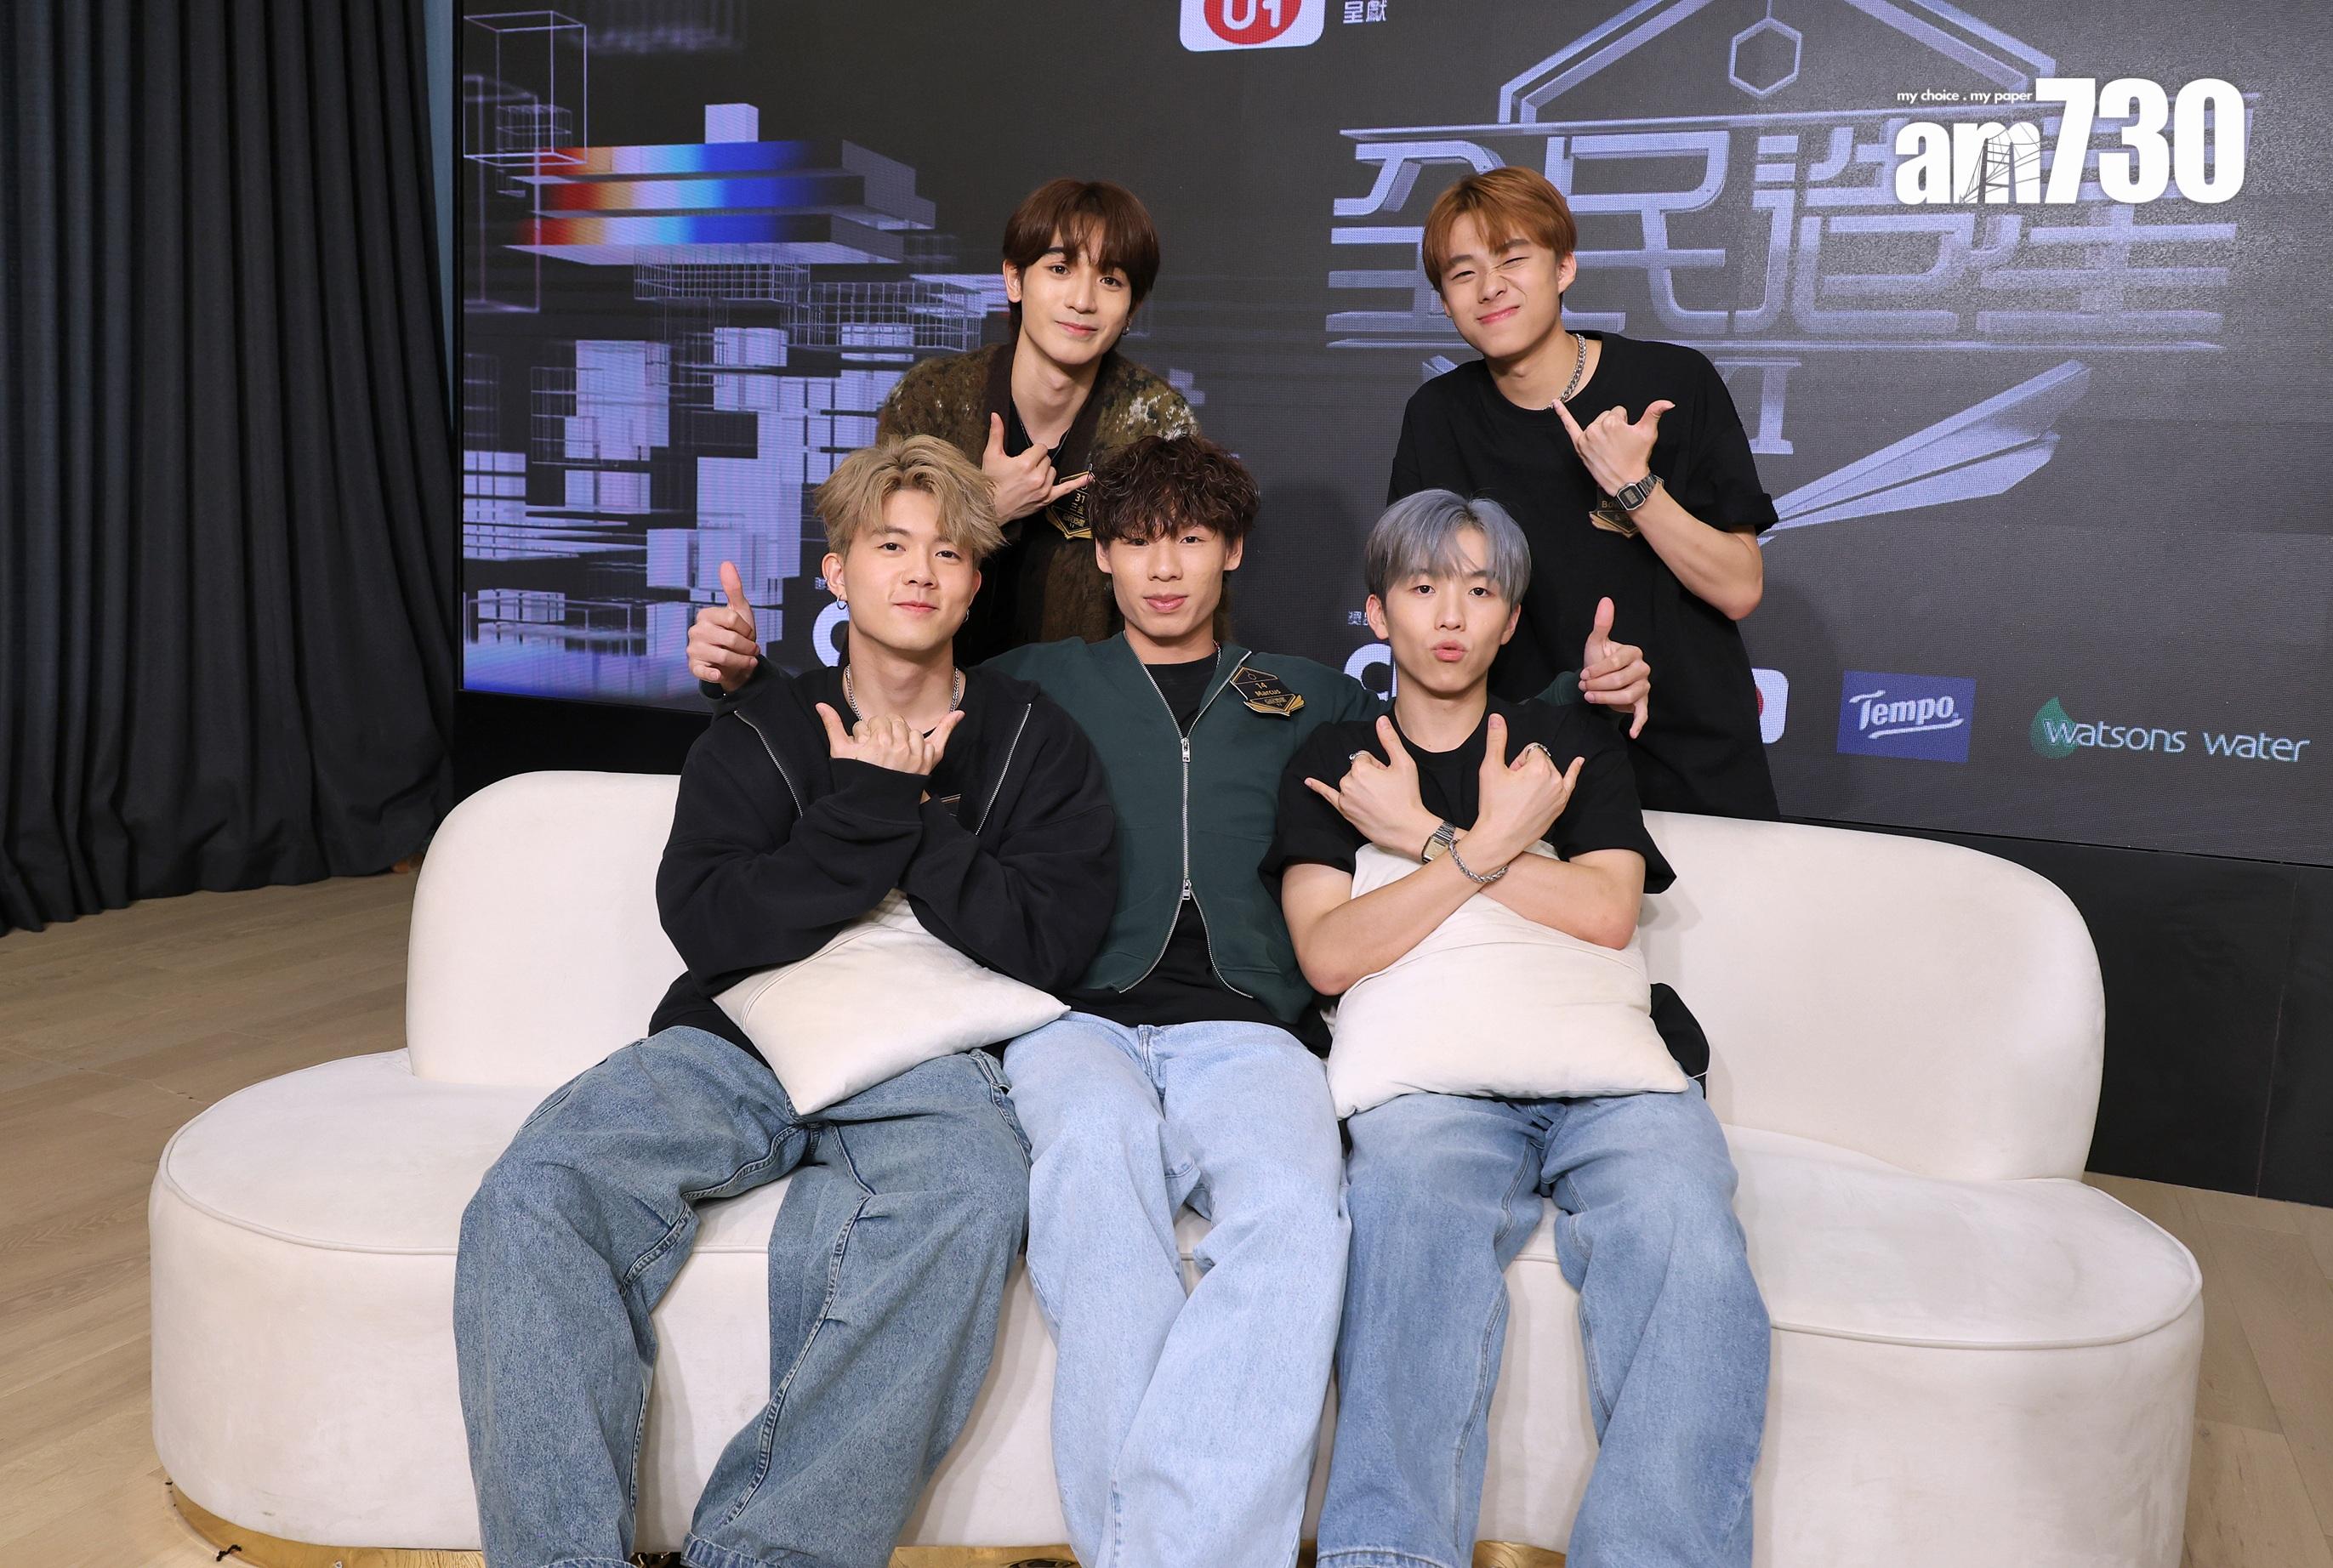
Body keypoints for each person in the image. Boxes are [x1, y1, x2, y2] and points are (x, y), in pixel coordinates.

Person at [693, 433, 1376, 1568]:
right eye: (1137, 540)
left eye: (1191, 539)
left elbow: (1454, 730)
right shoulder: (1032, 685)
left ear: (1232, 550)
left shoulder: (1312, 694)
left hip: (1251, 1026)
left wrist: (1583, 707)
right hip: (1070, 1017)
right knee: (1094, 1195)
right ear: (1101, 555)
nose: (1164, 566)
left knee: (1300, 1221)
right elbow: (871, 711)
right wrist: (745, 683)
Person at [453, 436, 1118, 1568]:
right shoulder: (762, 729)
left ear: (975, 580)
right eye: (891, 545)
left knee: (967, 1193)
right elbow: (713, 923)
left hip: (929, 1055)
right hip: (737, 1041)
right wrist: (865, 806)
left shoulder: (1032, 738)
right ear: (838, 573)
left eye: (948, 552)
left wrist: (913, 814)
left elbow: (1049, 943)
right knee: (534, 1193)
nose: (920, 571)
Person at [1267, 490, 1771, 1568]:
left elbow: (1606, 910)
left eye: (1480, 588)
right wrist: (1495, 845)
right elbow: (1331, 952)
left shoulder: (1567, 742)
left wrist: (1429, 838)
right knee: (1408, 1224)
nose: (1451, 613)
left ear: (1509, 618)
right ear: (1378, 612)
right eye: (1422, 586)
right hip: (1431, 1095)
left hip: (1614, 1091)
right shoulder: (1339, 759)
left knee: (1687, 1228)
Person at [1392, 165, 1781, 818]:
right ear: (1444, 300)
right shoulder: (1438, 417)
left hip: (1688, 752)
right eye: (1463, 274)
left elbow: (1739, 587)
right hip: (1521, 761)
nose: (1490, 287)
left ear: (1564, 267)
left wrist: (1633, 486)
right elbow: (1419, 606)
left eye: (1513, 259)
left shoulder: (1673, 382)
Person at [877, 177, 1200, 661]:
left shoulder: (1155, 420)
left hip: (1086, 697)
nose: (1083, 300)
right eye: (1060, 269)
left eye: (1111, 280)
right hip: (932, 685)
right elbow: (878, 563)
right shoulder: (931, 399)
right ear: (1014, 279)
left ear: (1132, 308)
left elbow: (1181, 591)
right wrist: (986, 511)